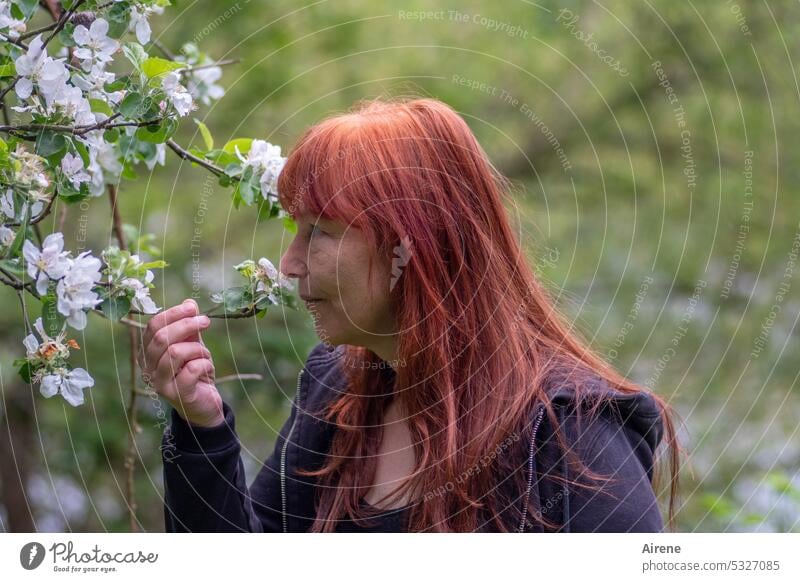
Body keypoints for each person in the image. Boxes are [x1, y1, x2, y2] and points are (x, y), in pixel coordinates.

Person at [144, 97, 681, 533]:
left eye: (320, 233)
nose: (288, 265)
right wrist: (201, 427)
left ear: (409, 247)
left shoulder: (571, 433)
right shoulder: (337, 385)